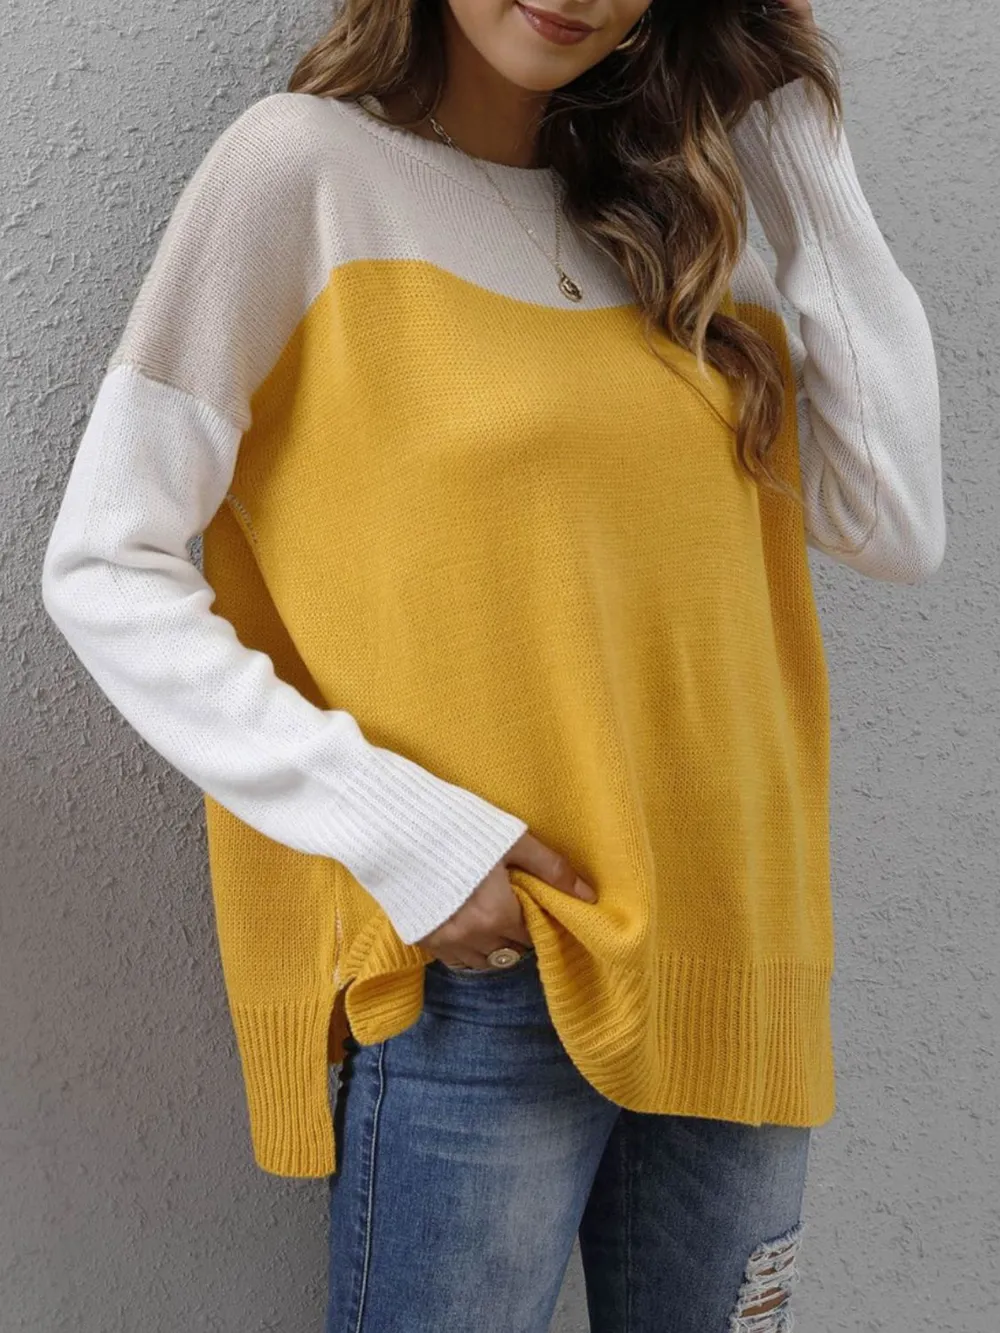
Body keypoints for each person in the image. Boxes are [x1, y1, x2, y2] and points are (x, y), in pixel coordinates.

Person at [40, 0, 945, 1326]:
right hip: (495, 968)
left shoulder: (684, 226)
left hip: (736, 955)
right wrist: (404, 833)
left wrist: (789, 126)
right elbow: (104, 564)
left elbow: (897, 526)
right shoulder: (305, 172)